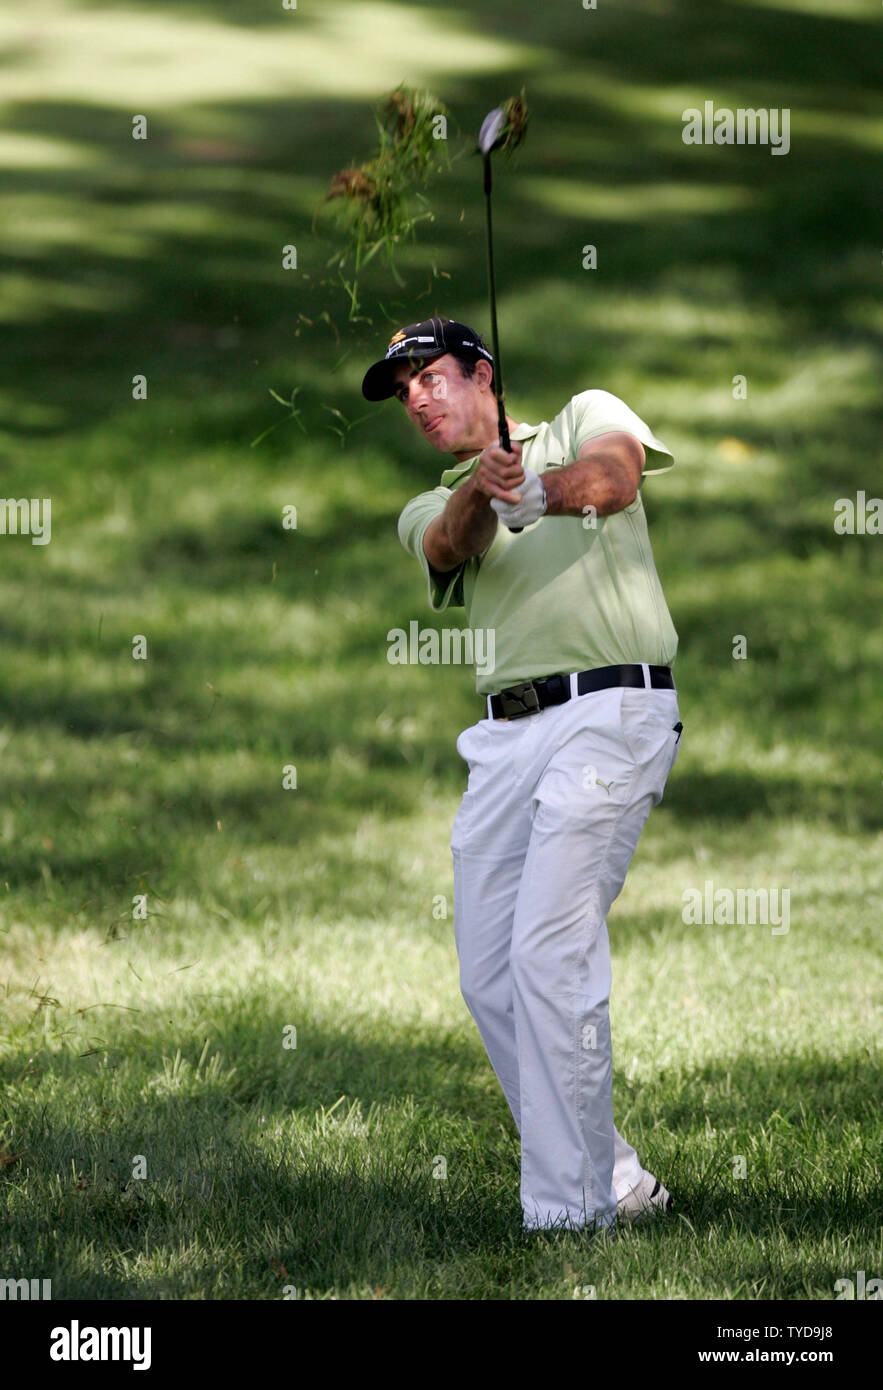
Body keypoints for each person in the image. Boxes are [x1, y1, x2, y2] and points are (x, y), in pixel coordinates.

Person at [362, 316, 684, 1233]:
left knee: (547, 952)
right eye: (403, 390)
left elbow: (616, 481)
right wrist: (483, 490)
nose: (417, 398)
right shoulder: (428, 502)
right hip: (503, 741)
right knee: (489, 976)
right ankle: (612, 1178)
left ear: (482, 372)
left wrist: (536, 486)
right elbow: (448, 543)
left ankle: (568, 1215)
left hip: (611, 713)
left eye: (429, 376)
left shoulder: (586, 413)